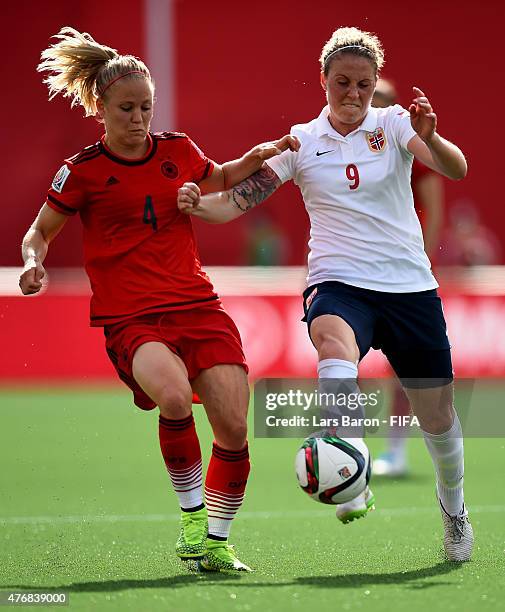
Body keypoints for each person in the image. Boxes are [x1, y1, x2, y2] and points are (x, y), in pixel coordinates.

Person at [177, 26, 474, 562]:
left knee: (438, 418)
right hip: (337, 281)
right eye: (342, 82)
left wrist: (431, 137)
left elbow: (456, 168)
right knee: (334, 349)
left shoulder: (396, 122)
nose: (353, 94)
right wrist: (197, 203)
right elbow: (237, 201)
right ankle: (350, 462)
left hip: (408, 286)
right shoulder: (301, 141)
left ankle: (453, 510)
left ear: (375, 83)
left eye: (363, 83)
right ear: (323, 81)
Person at [19, 26, 299, 573]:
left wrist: (256, 156)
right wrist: (34, 263)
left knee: (236, 428)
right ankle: (193, 523)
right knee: (173, 398)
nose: (138, 117)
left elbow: (217, 178)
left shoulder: (177, 149)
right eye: (126, 108)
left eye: (145, 107)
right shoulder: (83, 171)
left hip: (197, 306)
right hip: (131, 318)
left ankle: (216, 542)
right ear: (100, 107)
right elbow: (40, 231)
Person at [371, 78, 445, 477]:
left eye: (380, 99)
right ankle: (348, 445)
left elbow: (434, 207)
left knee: (403, 373)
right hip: (359, 267)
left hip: (402, 269)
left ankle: (395, 449)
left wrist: (425, 263)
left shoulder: (405, 143)